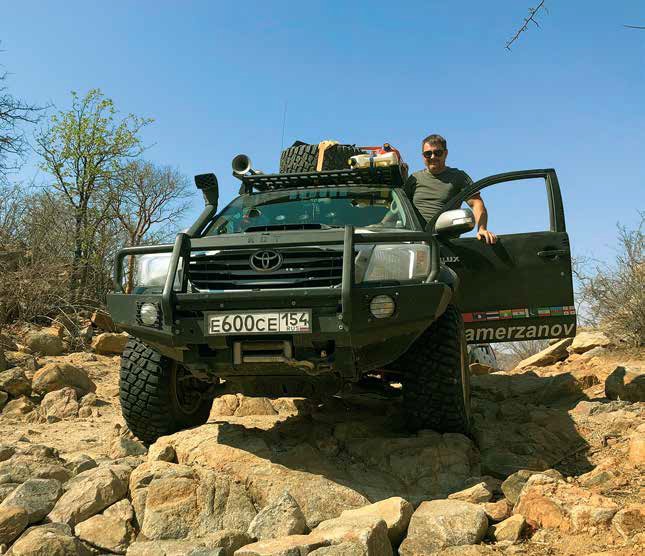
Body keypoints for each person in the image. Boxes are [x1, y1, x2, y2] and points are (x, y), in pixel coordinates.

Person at [405, 134, 497, 244]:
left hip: (447, 244)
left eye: (437, 153)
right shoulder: (414, 179)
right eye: (428, 154)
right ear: (423, 156)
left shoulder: (458, 177)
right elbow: (398, 208)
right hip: (416, 244)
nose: (433, 157)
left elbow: (476, 203)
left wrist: (481, 229)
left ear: (446, 153)